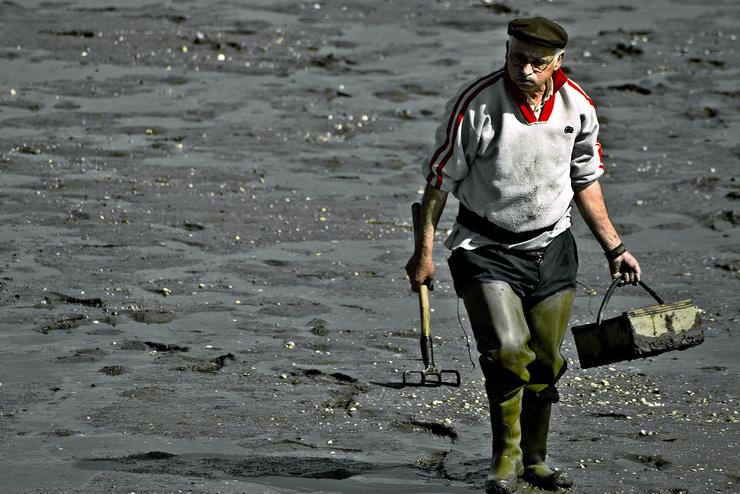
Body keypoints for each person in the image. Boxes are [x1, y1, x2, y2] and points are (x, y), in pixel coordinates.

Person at [405, 16, 641, 494]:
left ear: (558, 62)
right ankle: (505, 458)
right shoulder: (476, 106)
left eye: (537, 63)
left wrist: (614, 247)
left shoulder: (577, 106)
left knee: (546, 360)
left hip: (553, 247)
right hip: (485, 248)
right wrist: (423, 254)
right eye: (517, 59)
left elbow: (585, 181)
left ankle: (536, 460)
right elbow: (438, 185)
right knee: (509, 352)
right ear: (506, 51)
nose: (526, 71)